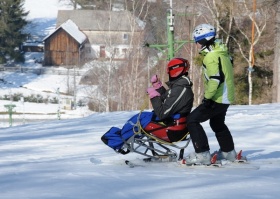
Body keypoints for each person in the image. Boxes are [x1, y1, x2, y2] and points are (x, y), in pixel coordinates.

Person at [184, 24, 236, 165]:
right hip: (226, 97)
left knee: (192, 120)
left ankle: (202, 154)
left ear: (205, 40)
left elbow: (215, 79)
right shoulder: (223, 52)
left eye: (198, 41)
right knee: (217, 123)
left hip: (217, 97)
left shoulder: (211, 56)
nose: (196, 44)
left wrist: (207, 98)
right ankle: (228, 152)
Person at [146, 58, 194, 142]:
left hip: (173, 132)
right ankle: (118, 139)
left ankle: (118, 142)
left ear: (174, 71)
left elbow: (162, 113)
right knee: (144, 117)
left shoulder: (180, 88)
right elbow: (168, 98)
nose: (168, 73)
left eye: (168, 72)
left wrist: (154, 96)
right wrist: (158, 87)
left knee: (140, 120)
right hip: (174, 127)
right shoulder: (180, 86)